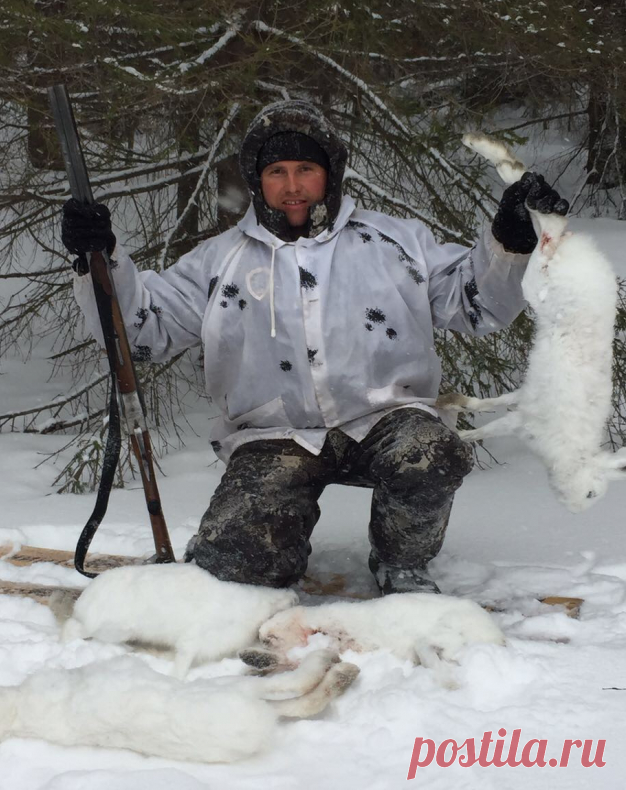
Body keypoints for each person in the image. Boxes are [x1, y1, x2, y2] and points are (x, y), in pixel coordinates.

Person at [62, 100, 569, 595]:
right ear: (258, 180)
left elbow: (475, 304)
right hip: (274, 434)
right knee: (237, 569)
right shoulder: (219, 261)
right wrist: (100, 260)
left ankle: (402, 561)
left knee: (430, 454)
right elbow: (140, 334)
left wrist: (510, 241)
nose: (292, 186)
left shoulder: (394, 243)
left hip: (385, 420)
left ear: (331, 173)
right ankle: (266, 556)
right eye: (277, 171)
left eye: (306, 168)